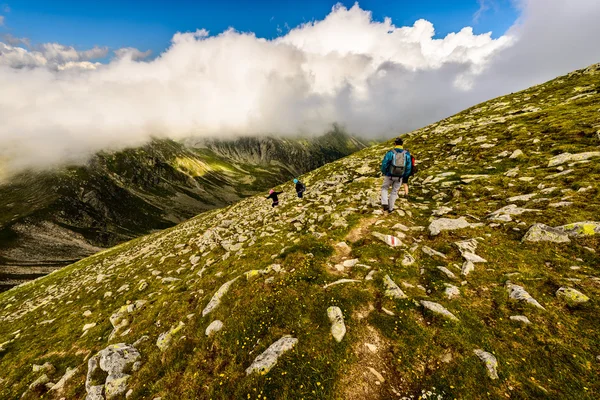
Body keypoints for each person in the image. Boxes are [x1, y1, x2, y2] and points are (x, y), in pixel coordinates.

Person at [380, 137, 412, 213]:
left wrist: (384, 172)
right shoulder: (406, 154)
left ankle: (384, 203)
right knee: (394, 192)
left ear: (395, 144)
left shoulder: (391, 152)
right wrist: (404, 175)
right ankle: (391, 208)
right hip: (400, 176)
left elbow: (385, 163)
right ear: (402, 144)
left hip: (389, 175)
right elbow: (408, 166)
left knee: (384, 188)